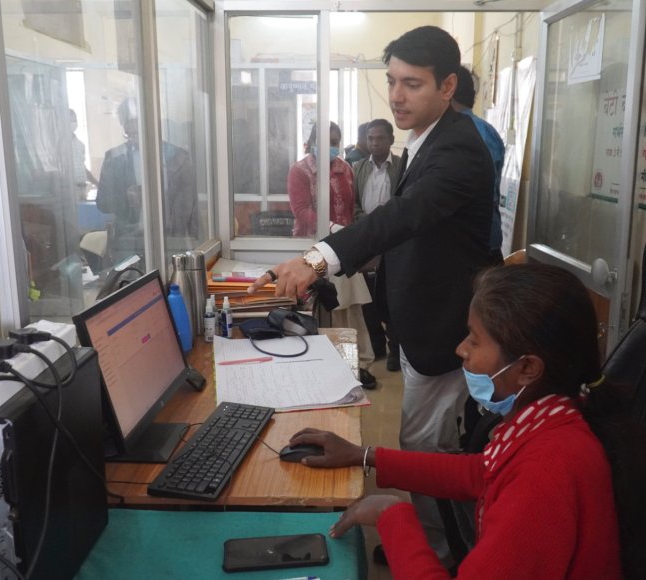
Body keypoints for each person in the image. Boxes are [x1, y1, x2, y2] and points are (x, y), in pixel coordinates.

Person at [251, 26, 495, 564]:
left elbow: (402, 217)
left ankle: (445, 557)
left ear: (448, 86)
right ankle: (434, 544)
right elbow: (405, 232)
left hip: (446, 328)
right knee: (422, 441)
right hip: (421, 318)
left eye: (413, 84)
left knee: (428, 447)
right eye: (392, 81)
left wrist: (318, 258)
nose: (397, 96)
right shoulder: (427, 138)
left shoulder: (459, 149)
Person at [286, 264, 626, 579]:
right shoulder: (552, 418)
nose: (461, 349)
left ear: (527, 368)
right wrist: (363, 455)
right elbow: (480, 473)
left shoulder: (547, 474)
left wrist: (392, 515)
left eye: (475, 340)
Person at [287, 121, 377, 388]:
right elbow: (301, 210)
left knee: (349, 308)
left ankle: (356, 365)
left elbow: (351, 207)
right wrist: (330, 227)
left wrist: (351, 235)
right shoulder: (300, 171)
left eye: (335, 141)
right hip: (313, 249)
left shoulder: (345, 168)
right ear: (313, 142)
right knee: (324, 308)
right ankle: (323, 367)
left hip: (343, 247)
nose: (331, 146)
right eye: (325, 141)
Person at [96, 98, 199, 259]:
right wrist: (126, 197)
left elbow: (190, 206)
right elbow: (103, 202)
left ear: (152, 120)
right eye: (128, 123)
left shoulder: (179, 157)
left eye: (137, 121)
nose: (133, 128)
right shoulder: (114, 159)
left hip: (171, 241)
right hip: (129, 243)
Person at [351, 118, 402, 371]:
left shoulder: (402, 167)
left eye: (380, 138)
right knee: (367, 295)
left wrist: (388, 225)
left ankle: (396, 348)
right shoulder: (358, 168)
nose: (374, 143)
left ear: (391, 139)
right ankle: (377, 343)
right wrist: (367, 223)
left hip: (395, 240)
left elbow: (404, 204)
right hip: (367, 238)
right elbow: (354, 204)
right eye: (370, 138)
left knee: (392, 295)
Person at [451, 66, 506, 264]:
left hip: (473, 249)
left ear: (447, 91)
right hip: (479, 243)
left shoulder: (465, 133)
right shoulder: (485, 130)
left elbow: (477, 193)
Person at [68, 109, 97, 201]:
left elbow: (83, 169)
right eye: (70, 120)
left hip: (82, 188)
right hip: (69, 190)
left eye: (74, 120)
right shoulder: (60, 145)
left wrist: (97, 184)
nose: (73, 123)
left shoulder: (80, 145)